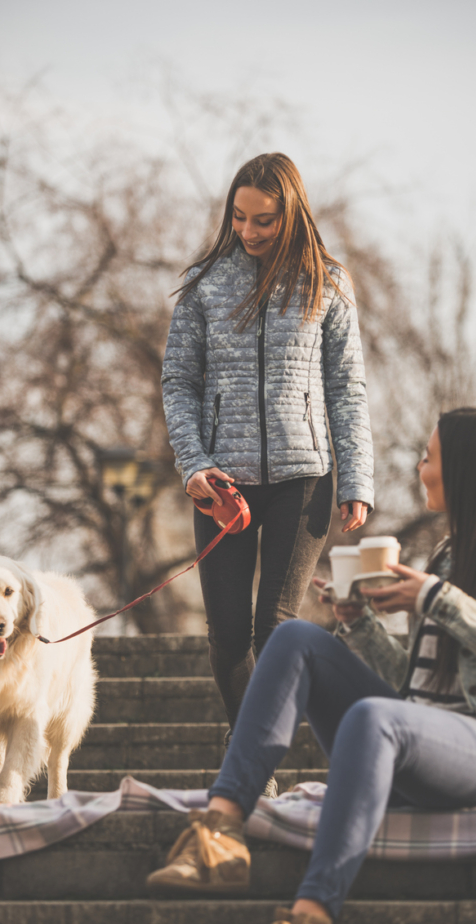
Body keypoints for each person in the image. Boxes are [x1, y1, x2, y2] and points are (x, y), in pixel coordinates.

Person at [146, 407, 476, 924]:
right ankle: (220, 835)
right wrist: (359, 625)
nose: (420, 469)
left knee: (375, 718)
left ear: (467, 467)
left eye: (429, 458)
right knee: (295, 638)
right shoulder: (451, 554)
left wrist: (436, 599)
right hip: (433, 744)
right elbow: (415, 687)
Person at [161, 153, 374, 785]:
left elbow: (348, 388)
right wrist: (194, 465)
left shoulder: (328, 284)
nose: (248, 231)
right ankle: (250, 743)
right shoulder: (204, 284)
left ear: (292, 214)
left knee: (274, 629)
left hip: (304, 480)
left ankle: (251, 763)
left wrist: (357, 479)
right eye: (239, 217)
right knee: (228, 633)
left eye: (264, 220)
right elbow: (178, 383)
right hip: (222, 485)